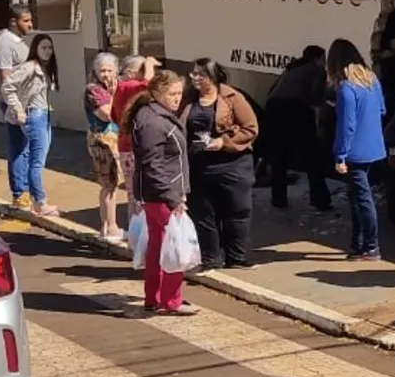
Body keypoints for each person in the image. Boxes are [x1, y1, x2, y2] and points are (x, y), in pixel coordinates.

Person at [123, 70, 197, 316]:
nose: (177, 99)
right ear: (157, 93)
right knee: (174, 246)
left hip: (158, 192)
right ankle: (171, 299)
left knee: (158, 245)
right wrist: (174, 197)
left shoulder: (152, 115)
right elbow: (153, 164)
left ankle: (154, 297)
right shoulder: (154, 121)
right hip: (163, 194)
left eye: (179, 93)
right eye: (172, 94)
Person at [180, 58, 259, 271]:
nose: (194, 78)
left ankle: (237, 258)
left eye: (200, 74)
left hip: (232, 164)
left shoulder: (233, 97)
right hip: (199, 164)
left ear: (212, 77)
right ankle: (210, 259)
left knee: (237, 211)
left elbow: (250, 128)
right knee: (203, 213)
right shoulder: (187, 99)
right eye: (193, 74)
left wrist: (224, 142)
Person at [327, 38, 386, 261]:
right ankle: (358, 244)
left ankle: (371, 246)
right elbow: (382, 109)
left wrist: (340, 155)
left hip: (355, 151)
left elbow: (347, 125)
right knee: (358, 196)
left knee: (362, 198)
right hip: (375, 147)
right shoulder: (372, 81)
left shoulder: (346, 88)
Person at [267, 44, 332, 210]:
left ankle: (278, 199)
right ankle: (320, 199)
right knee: (311, 155)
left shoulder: (291, 68)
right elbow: (316, 98)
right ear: (318, 58)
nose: (325, 62)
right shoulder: (316, 70)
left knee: (279, 155)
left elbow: (272, 90)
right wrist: (319, 122)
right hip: (296, 107)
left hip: (274, 106)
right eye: (323, 58)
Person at [0, 33, 59, 216]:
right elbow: (6, 86)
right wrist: (18, 109)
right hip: (34, 115)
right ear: (35, 49)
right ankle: (39, 202)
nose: (47, 51)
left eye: (49, 48)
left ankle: (36, 199)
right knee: (36, 162)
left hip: (44, 114)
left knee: (37, 159)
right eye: (43, 48)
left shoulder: (44, 67)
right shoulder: (30, 67)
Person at [0, 4, 34, 208]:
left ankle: (26, 189)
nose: (30, 24)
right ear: (13, 22)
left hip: (28, 101)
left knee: (26, 147)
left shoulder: (18, 42)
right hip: (15, 104)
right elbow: (5, 78)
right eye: (26, 21)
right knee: (19, 147)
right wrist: (16, 107)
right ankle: (19, 192)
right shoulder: (5, 43)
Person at [112, 54, 160, 218]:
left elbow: (113, 115)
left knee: (133, 194)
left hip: (125, 146)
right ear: (132, 71)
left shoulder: (120, 88)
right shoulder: (130, 86)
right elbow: (151, 85)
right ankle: (140, 231)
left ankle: (135, 229)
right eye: (142, 68)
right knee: (140, 193)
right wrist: (149, 64)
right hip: (134, 146)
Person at [84, 52, 123, 241]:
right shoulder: (94, 90)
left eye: (109, 70)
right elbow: (107, 114)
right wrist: (116, 96)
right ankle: (110, 227)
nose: (106, 74)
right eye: (102, 71)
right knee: (109, 184)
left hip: (113, 140)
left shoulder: (112, 88)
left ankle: (107, 226)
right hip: (102, 142)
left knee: (112, 185)